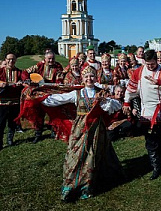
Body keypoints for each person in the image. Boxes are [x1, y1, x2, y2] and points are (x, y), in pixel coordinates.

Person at [41, 66, 123, 201]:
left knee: (92, 156)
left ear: (95, 78)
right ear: (83, 79)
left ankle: (87, 187)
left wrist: (106, 101)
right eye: (86, 77)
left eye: (91, 76)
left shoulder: (101, 93)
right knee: (74, 156)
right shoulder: (76, 94)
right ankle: (70, 186)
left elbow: (117, 105)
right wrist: (39, 98)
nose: (89, 79)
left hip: (97, 130)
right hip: (80, 129)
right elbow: (58, 99)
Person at [123, 49, 161, 180]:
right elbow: (131, 88)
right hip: (147, 110)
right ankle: (156, 166)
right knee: (150, 138)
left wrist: (159, 82)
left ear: (156, 60)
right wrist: (126, 102)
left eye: (152, 63)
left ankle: (160, 148)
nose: (150, 66)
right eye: (147, 64)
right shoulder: (139, 72)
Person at [22, 50, 64, 143]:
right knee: (38, 113)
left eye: (52, 58)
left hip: (52, 92)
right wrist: (27, 79)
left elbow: (60, 78)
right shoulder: (39, 65)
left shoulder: (58, 66)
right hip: (39, 93)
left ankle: (54, 130)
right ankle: (38, 133)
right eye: (49, 59)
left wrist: (58, 83)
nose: (51, 60)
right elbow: (25, 72)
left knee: (53, 111)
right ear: (45, 59)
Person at [0, 53, 23, 149]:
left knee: (12, 122)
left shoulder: (19, 72)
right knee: (0, 123)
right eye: (9, 59)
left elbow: (25, 79)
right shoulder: (1, 71)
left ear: (16, 60)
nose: (11, 61)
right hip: (2, 102)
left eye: (13, 59)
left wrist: (22, 83)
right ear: (5, 60)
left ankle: (10, 139)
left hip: (15, 102)